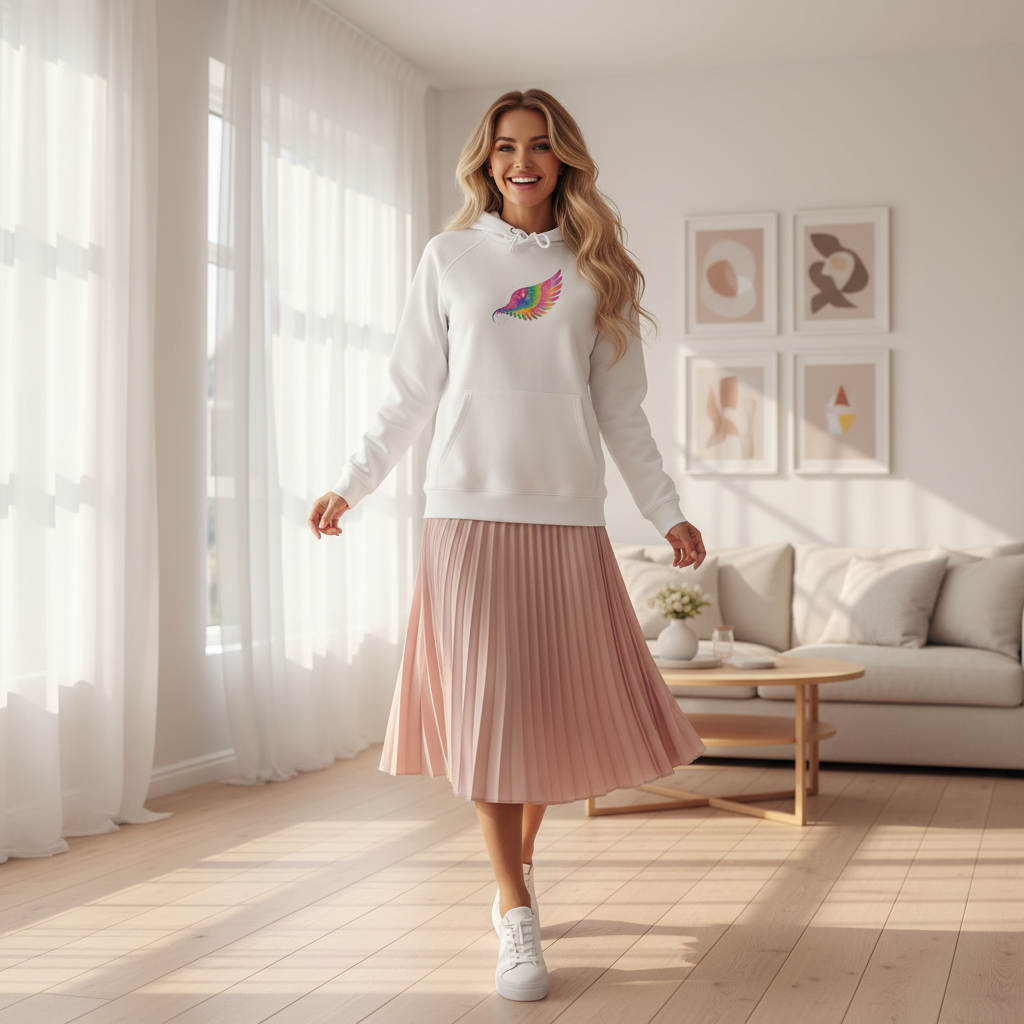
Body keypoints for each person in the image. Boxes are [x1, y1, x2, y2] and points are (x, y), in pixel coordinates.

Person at [307, 88, 708, 1002]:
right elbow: (409, 393)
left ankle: (512, 876)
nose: (521, 161)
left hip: (566, 519)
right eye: (504, 147)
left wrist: (668, 512)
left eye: (538, 145)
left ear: (564, 158)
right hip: (466, 517)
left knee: (542, 715)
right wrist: (351, 484)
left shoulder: (597, 269)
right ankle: (516, 910)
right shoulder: (448, 257)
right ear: (485, 162)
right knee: (490, 715)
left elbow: (623, 415)